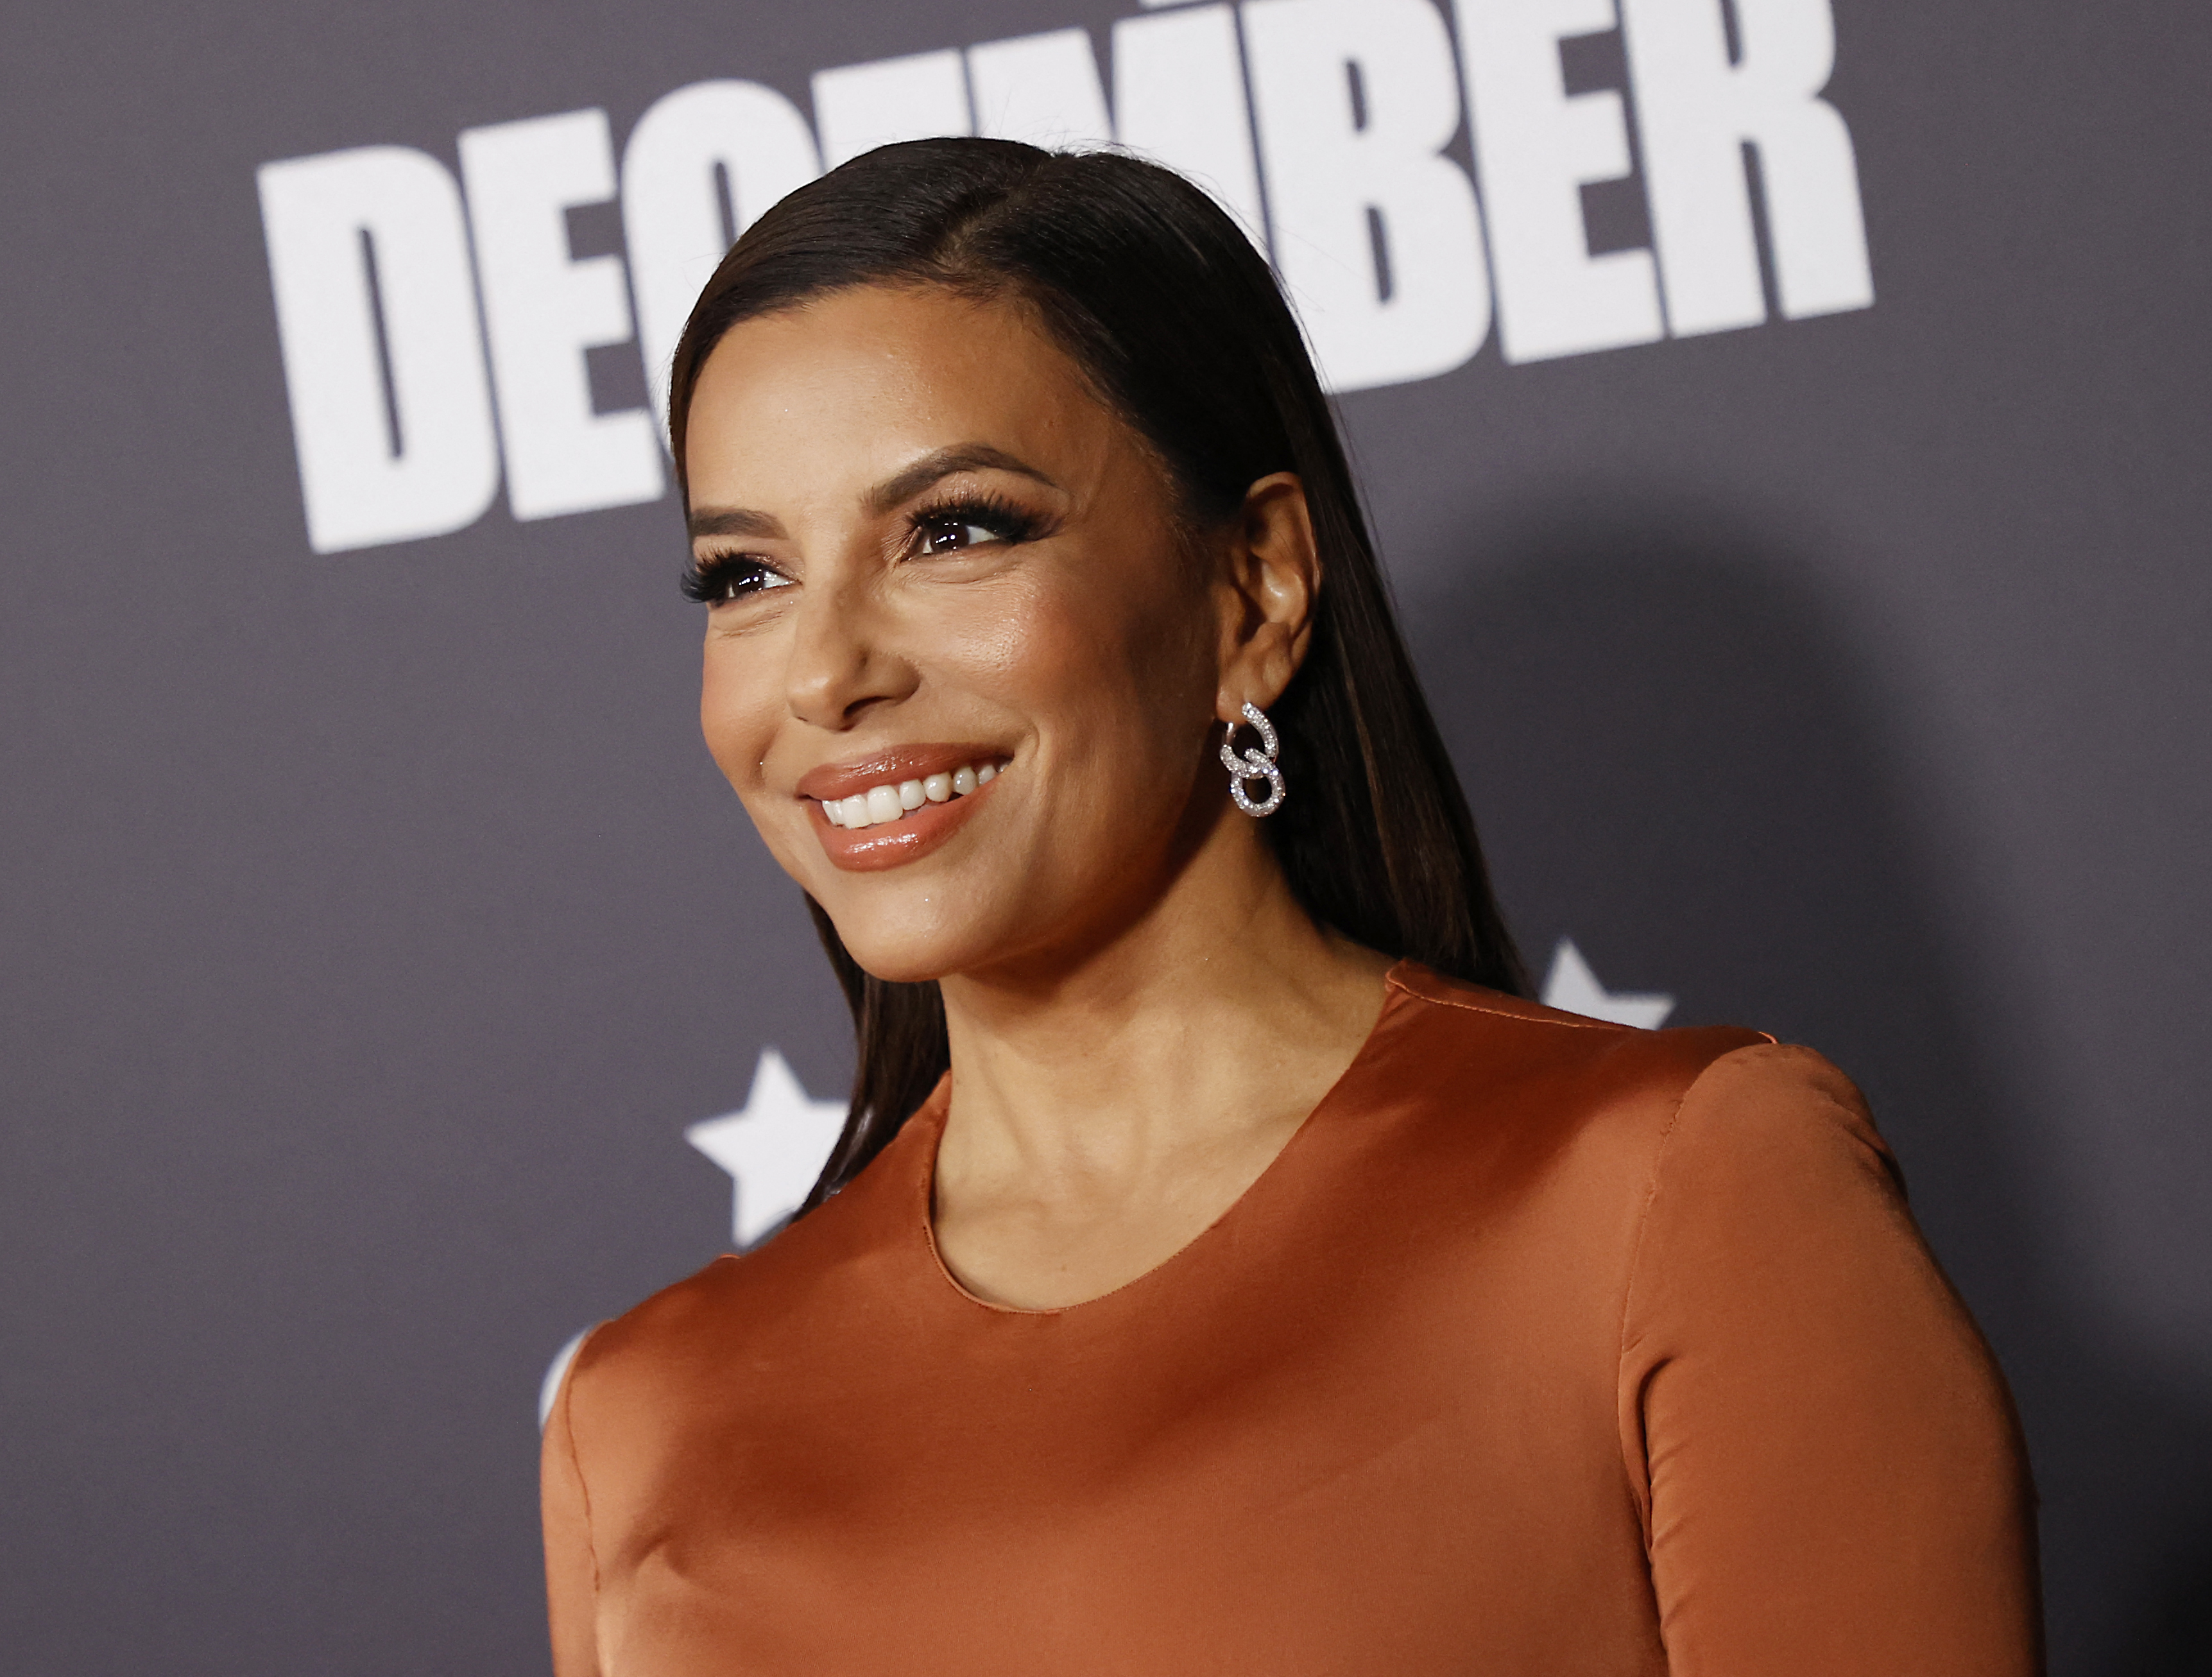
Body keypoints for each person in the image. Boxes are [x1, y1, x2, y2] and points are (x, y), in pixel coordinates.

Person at [540, 138, 2040, 1674]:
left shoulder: (1676, 1194)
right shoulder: (641, 1421)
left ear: (1252, 587)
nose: (823, 672)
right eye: (745, 576)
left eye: (954, 529)